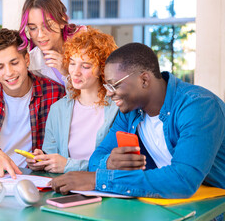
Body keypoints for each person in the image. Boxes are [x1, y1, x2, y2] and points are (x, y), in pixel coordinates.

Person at [49, 43, 225, 198]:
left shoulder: (198, 106)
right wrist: (108, 163)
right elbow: (97, 157)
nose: (109, 93)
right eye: (107, 86)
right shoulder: (130, 111)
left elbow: (182, 179)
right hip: (168, 205)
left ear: (144, 80)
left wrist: (98, 180)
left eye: (114, 85)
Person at [0, 28, 66, 179]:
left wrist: (43, 157)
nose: (9, 72)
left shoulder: (55, 93)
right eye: (0, 67)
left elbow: (64, 146)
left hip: (35, 178)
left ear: (26, 59)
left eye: (14, 62)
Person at [26, 27, 118, 173]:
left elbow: (117, 164)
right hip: (65, 188)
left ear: (102, 69)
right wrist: (42, 160)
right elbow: (51, 154)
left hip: (102, 188)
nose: (75, 72)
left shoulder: (117, 109)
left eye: (86, 66)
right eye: (72, 63)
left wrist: (68, 165)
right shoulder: (58, 109)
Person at [19, 0, 85, 85]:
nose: (40, 35)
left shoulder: (85, 42)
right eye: (33, 28)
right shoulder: (32, 62)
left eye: (47, 25)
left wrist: (67, 71)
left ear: (62, 21)